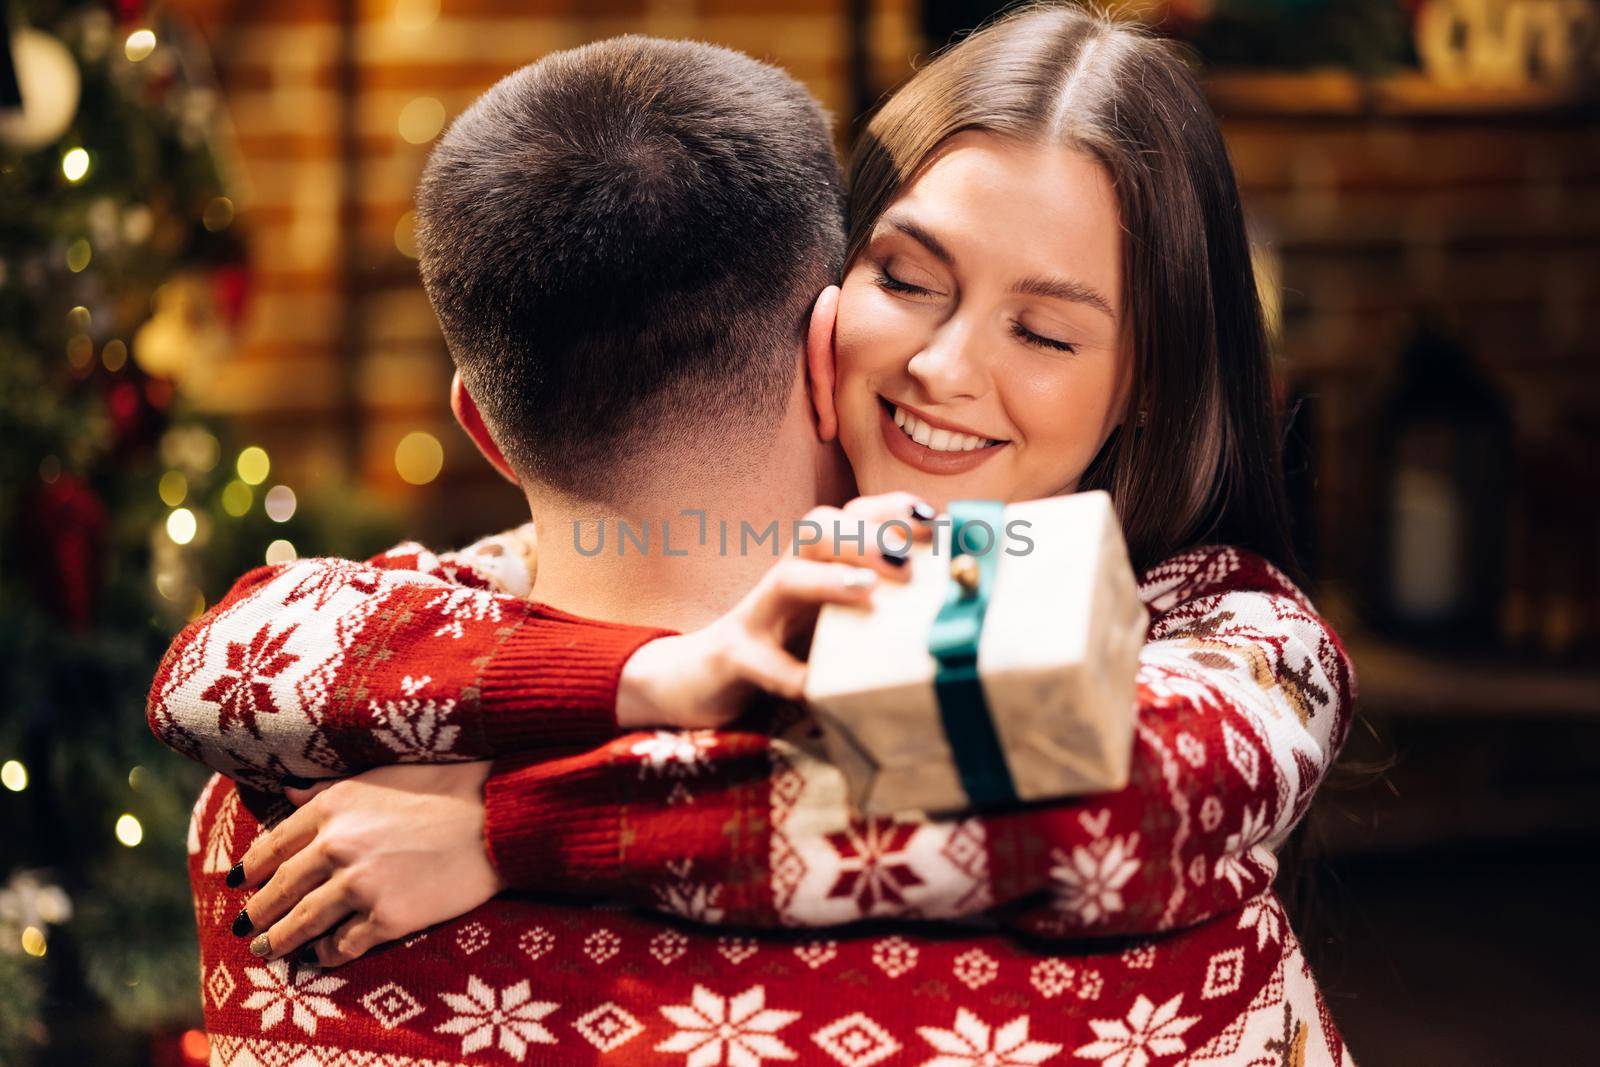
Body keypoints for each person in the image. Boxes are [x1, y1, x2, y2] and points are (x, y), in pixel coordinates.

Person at [151, 9, 1356, 1065]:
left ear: (1150, 381)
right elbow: (230, 655)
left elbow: (1085, 798)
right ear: (817, 308)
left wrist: (506, 826)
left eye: (1044, 333)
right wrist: (654, 676)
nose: (942, 365)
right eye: (908, 277)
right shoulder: (536, 585)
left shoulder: (1230, 635)